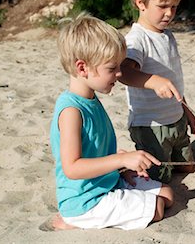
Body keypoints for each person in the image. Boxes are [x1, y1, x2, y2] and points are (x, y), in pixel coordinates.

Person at [49, 12, 174, 231]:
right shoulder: (71, 111)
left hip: (106, 182)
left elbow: (94, 150)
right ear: (82, 68)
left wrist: (122, 162)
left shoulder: (90, 98)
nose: (119, 74)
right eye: (111, 68)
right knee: (158, 207)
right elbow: (72, 168)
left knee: (167, 193)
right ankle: (73, 222)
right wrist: (120, 161)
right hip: (86, 200)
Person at [119, 0, 195, 183]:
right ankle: (126, 167)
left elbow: (173, 80)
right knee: (159, 179)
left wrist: (186, 109)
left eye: (174, 6)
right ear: (140, 2)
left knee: (188, 168)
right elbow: (124, 72)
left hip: (176, 119)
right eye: (162, 6)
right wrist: (153, 81)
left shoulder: (167, 35)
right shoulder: (137, 39)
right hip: (151, 126)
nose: (169, 13)